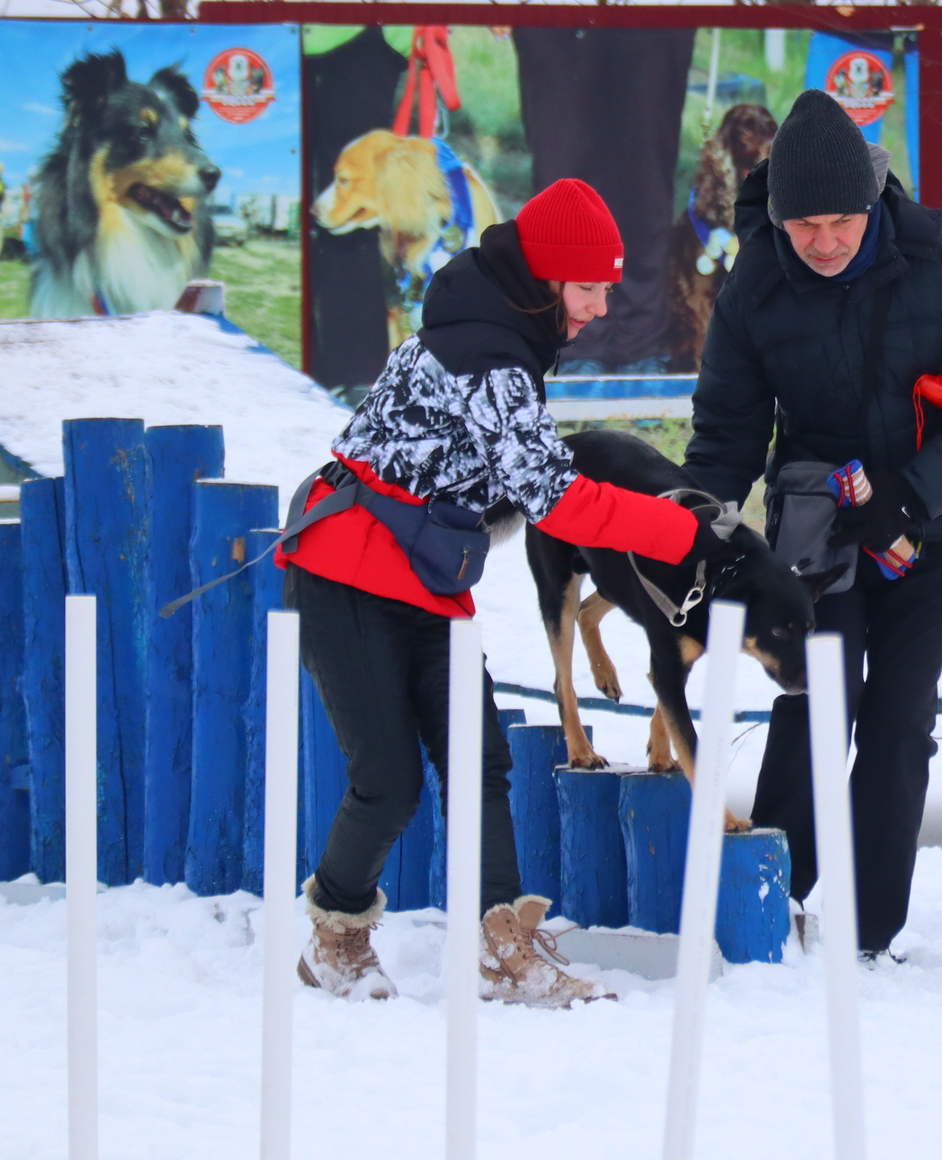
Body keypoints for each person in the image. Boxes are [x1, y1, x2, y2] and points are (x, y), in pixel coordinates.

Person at [281, 177, 722, 1004]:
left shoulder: (503, 340)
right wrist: (681, 529)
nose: (598, 307)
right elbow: (559, 497)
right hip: (346, 569)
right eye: (588, 287)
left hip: (423, 572)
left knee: (480, 765)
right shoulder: (487, 357)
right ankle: (335, 935)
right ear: (549, 278)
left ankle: (501, 947)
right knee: (387, 782)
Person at [683, 89, 942, 958]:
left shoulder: (941, 256)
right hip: (817, 530)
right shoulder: (756, 280)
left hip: (931, 523)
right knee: (811, 704)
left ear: (872, 201)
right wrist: (697, 529)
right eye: (807, 225)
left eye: (842, 220)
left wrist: (915, 495)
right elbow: (727, 428)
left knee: (900, 722)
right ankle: (771, 901)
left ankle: (869, 932)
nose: (826, 241)